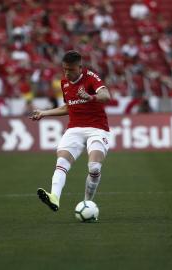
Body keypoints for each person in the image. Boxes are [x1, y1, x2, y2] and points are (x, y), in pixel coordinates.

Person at [29, 50, 111, 214]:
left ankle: (87, 203)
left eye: (70, 69)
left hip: (97, 128)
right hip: (74, 129)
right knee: (61, 163)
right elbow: (68, 107)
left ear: (80, 67)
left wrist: (90, 97)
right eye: (64, 69)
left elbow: (106, 95)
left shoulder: (91, 78)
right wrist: (44, 113)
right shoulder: (64, 83)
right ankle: (54, 198)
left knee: (94, 167)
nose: (67, 73)